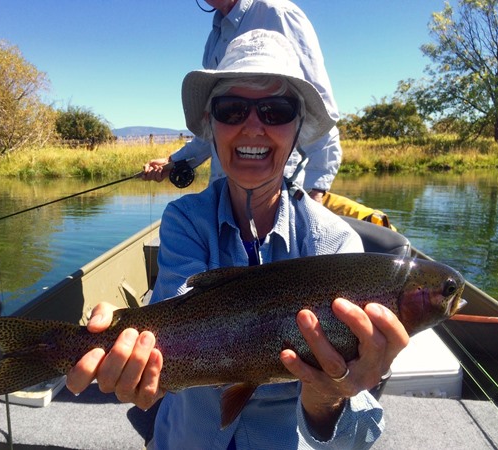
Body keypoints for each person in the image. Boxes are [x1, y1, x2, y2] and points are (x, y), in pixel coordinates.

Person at [67, 30, 408, 449]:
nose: (252, 126)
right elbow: (170, 321)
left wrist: (329, 397)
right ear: (210, 126)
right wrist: (129, 353)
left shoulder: (333, 243)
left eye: (275, 109)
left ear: (297, 129)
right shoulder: (185, 219)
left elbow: (351, 440)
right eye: (232, 109)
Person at [142, 0, 341, 203]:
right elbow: (217, 124)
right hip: (224, 193)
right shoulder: (215, 37)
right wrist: (174, 161)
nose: (252, 127)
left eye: (272, 111)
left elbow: (319, 110)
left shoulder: (278, 13)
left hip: (281, 194)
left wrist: (316, 188)